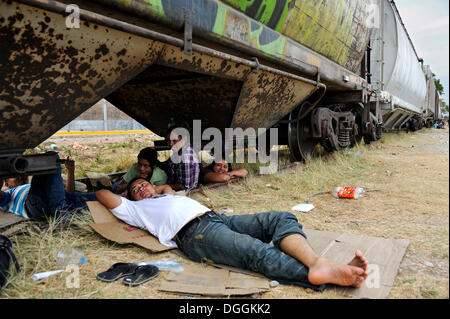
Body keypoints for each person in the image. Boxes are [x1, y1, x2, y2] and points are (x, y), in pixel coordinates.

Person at [95, 177, 369, 291]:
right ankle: (323, 274)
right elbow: (101, 194)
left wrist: (158, 189)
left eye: (144, 185)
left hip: (218, 219)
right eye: (136, 189)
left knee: (280, 217)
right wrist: (124, 191)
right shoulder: (135, 209)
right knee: (255, 252)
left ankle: (316, 263)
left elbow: (166, 187)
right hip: (194, 234)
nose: (142, 189)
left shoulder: (164, 195)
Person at [0, 155, 96, 220]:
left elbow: (66, 193)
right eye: (12, 176)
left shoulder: (30, 186)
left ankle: (61, 212)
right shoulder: (9, 194)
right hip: (32, 205)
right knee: (51, 157)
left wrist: (70, 171)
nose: (20, 175)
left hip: (56, 203)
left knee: (96, 198)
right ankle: (61, 214)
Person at [165, 125, 200, 191]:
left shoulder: (186, 158)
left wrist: (164, 186)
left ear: (184, 139)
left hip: (185, 193)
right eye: (168, 140)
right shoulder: (180, 149)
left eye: (174, 140)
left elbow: (185, 186)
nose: (170, 144)